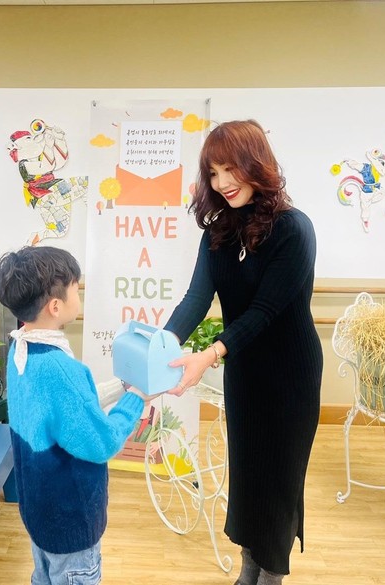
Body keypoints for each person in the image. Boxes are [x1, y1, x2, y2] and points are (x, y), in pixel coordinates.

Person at [164, 119, 323, 585]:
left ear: (256, 163)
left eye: (230, 168)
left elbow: (265, 311)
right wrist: (162, 343)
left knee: (279, 477)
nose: (222, 182)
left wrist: (211, 353)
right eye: (213, 173)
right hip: (246, 372)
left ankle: (270, 576)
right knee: (249, 474)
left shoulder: (294, 229)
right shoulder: (218, 231)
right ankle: (248, 569)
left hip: (289, 374)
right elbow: (196, 299)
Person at [0, 245, 152, 585]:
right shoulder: (59, 369)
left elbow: (68, 410)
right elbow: (102, 443)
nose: (80, 295)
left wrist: (120, 387)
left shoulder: (21, 349)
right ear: (55, 306)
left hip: (40, 513)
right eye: (76, 289)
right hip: (70, 522)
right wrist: (136, 399)